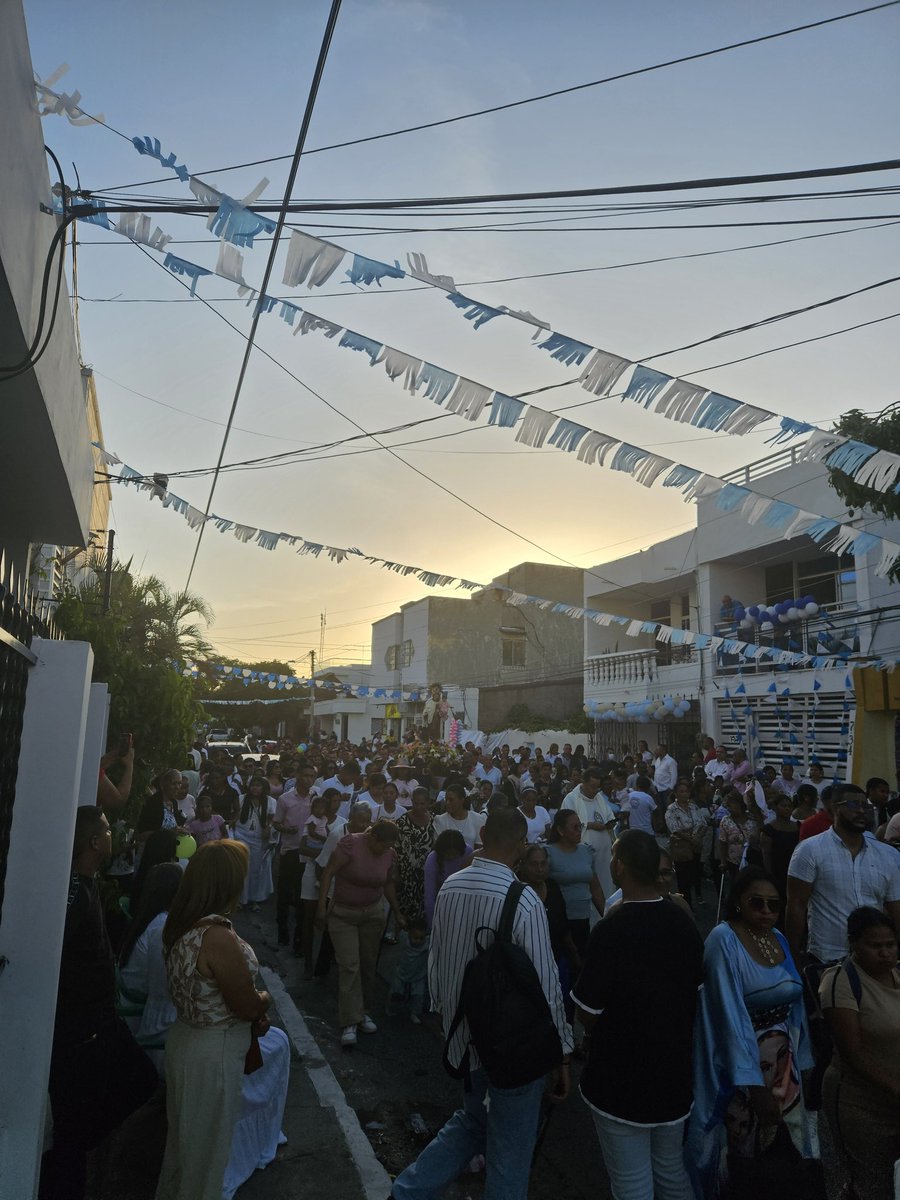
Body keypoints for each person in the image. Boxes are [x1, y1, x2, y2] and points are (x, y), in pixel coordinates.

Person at [391, 809, 572, 1200]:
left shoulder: (451, 886)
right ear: (522, 847)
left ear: (483, 833)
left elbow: (436, 963)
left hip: (465, 1038)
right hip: (513, 1046)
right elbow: (548, 987)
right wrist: (563, 1053)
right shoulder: (523, 901)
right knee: (510, 1150)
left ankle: (406, 1192)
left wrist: (446, 1022)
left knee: (474, 1123)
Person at [572, 830, 703, 1200]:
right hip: (673, 1073)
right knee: (670, 1170)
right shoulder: (684, 924)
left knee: (632, 1183)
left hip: (620, 1077)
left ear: (621, 866)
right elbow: (694, 992)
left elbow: (587, 1012)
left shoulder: (612, 929)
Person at [40, 808, 157, 1200]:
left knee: (140, 1081)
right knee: (73, 1130)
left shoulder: (86, 885)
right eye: (107, 830)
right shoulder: (73, 893)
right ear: (93, 842)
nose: (112, 835)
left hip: (98, 1021)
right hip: (80, 1029)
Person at [156, 840, 279, 1200]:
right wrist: (265, 998)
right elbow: (246, 1005)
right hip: (213, 1051)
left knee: (184, 1151)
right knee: (206, 1160)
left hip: (186, 1039)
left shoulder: (181, 925)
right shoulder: (216, 936)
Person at [686, 866, 816, 1199]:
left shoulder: (780, 938)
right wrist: (754, 1085)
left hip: (784, 1066)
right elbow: (728, 1015)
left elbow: (795, 1003)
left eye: (774, 904)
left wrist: (803, 1060)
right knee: (743, 1153)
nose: (767, 911)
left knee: (785, 1150)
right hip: (740, 1070)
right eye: (756, 902)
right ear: (739, 903)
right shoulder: (723, 939)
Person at [819, 907, 900, 1200]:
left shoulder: (898, 974)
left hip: (896, 1097)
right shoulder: (840, 981)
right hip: (861, 1105)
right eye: (875, 946)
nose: (886, 953)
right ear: (853, 943)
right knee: (872, 1183)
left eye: (890, 944)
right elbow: (853, 1053)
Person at [786, 782, 900, 965]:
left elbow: (896, 909)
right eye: (854, 805)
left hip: (875, 961)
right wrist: (793, 957)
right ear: (834, 808)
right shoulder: (810, 850)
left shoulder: (888, 856)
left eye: (866, 806)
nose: (862, 811)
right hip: (827, 957)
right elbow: (796, 906)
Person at [316, 820, 407, 1046]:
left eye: (389, 846)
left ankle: (363, 1010)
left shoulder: (389, 853)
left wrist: (396, 911)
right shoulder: (350, 844)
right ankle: (349, 1020)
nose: (385, 849)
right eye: (383, 845)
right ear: (373, 838)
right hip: (343, 914)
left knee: (368, 963)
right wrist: (321, 907)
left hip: (373, 914)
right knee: (349, 965)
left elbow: (387, 884)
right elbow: (328, 873)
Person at [118, 862, 184, 1072]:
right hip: (147, 1012)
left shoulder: (150, 917)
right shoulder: (162, 926)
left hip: (138, 999)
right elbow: (165, 989)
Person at [518, 842, 582, 1024]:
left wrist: (575, 957)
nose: (539, 869)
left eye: (543, 863)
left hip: (557, 958)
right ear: (522, 865)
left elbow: (563, 925)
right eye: (534, 864)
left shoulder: (552, 887)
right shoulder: (517, 891)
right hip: (527, 965)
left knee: (563, 1004)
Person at [545, 809, 605, 957]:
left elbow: (595, 887)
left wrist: (607, 915)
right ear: (560, 830)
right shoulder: (548, 853)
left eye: (580, 826)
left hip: (583, 919)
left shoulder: (586, 851)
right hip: (559, 922)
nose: (579, 831)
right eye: (575, 827)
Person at [272, 761, 315, 951]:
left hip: (309, 853)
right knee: (284, 893)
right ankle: (282, 930)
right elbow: (276, 822)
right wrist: (285, 829)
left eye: (312, 776)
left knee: (302, 897)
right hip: (290, 850)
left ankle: (299, 938)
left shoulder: (316, 797)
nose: (308, 779)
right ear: (297, 775)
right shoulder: (285, 799)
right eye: (305, 775)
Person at [561, 766, 617, 899]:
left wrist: (611, 822)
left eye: (598, 787)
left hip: (604, 856)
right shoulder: (571, 799)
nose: (595, 790)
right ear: (583, 782)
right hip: (583, 854)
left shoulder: (599, 798)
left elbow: (609, 815)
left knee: (605, 886)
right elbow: (566, 825)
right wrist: (590, 825)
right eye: (592, 786)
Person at [394, 787, 436, 923]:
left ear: (428, 803)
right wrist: (397, 873)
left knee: (425, 904)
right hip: (406, 873)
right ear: (411, 802)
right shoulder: (402, 821)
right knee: (405, 906)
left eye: (422, 803)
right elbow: (396, 848)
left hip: (427, 872)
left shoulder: (435, 821)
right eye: (416, 803)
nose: (418, 807)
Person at [234, 776, 275, 911]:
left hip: (259, 839)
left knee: (256, 870)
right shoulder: (241, 799)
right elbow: (235, 816)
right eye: (253, 785)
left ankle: (254, 899)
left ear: (263, 788)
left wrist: (268, 829)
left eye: (258, 785)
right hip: (242, 836)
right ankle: (240, 898)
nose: (255, 788)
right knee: (242, 868)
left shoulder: (270, 802)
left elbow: (272, 819)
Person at [665, 779, 707, 907]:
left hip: (696, 846)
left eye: (686, 791)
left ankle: (697, 898)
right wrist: (691, 839)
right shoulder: (672, 810)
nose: (684, 794)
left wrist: (698, 838)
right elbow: (675, 829)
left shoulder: (694, 807)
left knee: (695, 874)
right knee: (683, 879)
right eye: (681, 791)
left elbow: (703, 824)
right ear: (676, 793)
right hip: (682, 848)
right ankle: (685, 905)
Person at [424, 831, 472, 929]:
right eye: (448, 854)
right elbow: (429, 896)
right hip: (442, 904)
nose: (451, 857)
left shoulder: (468, 852)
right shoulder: (433, 858)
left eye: (455, 854)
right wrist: (432, 926)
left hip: (464, 902)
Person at [386, 917, 430, 1023]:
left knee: (418, 996)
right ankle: (391, 1008)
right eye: (415, 938)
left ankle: (415, 1013)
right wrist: (399, 925)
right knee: (396, 994)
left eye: (421, 938)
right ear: (409, 934)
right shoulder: (405, 940)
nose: (419, 941)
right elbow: (397, 932)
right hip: (401, 974)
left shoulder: (427, 944)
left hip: (418, 977)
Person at [760, 793, 800, 900]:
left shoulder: (798, 827)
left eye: (789, 806)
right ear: (776, 808)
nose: (787, 808)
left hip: (795, 871)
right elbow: (766, 856)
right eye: (783, 806)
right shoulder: (768, 830)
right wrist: (769, 877)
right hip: (777, 872)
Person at [718, 789, 761, 882]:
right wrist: (723, 862)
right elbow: (722, 842)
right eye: (728, 804)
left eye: (732, 803)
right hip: (734, 861)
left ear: (739, 803)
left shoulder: (753, 818)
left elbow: (761, 829)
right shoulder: (726, 820)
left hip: (752, 859)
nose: (729, 806)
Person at [137, 769, 187, 846]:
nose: (177, 787)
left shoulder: (174, 802)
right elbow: (140, 835)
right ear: (162, 785)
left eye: (179, 783)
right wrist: (168, 832)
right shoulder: (152, 804)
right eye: (174, 783)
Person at [432, 783, 487, 848]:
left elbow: (479, 847)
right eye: (446, 799)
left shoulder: (477, 819)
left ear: (462, 800)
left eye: (451, 800)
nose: (447, 803)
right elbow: (438, 848)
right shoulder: (440, 820)